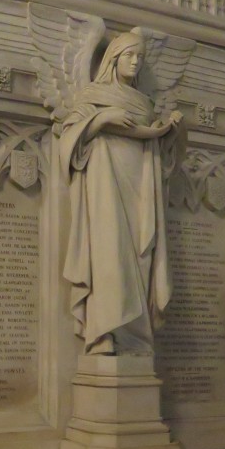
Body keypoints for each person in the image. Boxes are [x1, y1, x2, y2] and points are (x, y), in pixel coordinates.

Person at [60, 32, 183, 356]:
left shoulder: (144, 104)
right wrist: (102, 118)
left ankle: (135, 339)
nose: (135, 62)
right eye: (129, 55)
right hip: (105, 183)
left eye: (140, 57)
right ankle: (103, 333)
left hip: (140, 184)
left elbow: (160, 155)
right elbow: (69, 140)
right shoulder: (94, 95)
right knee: (108, 253)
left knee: (141, 255)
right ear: (114, 59)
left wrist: (170, 131)